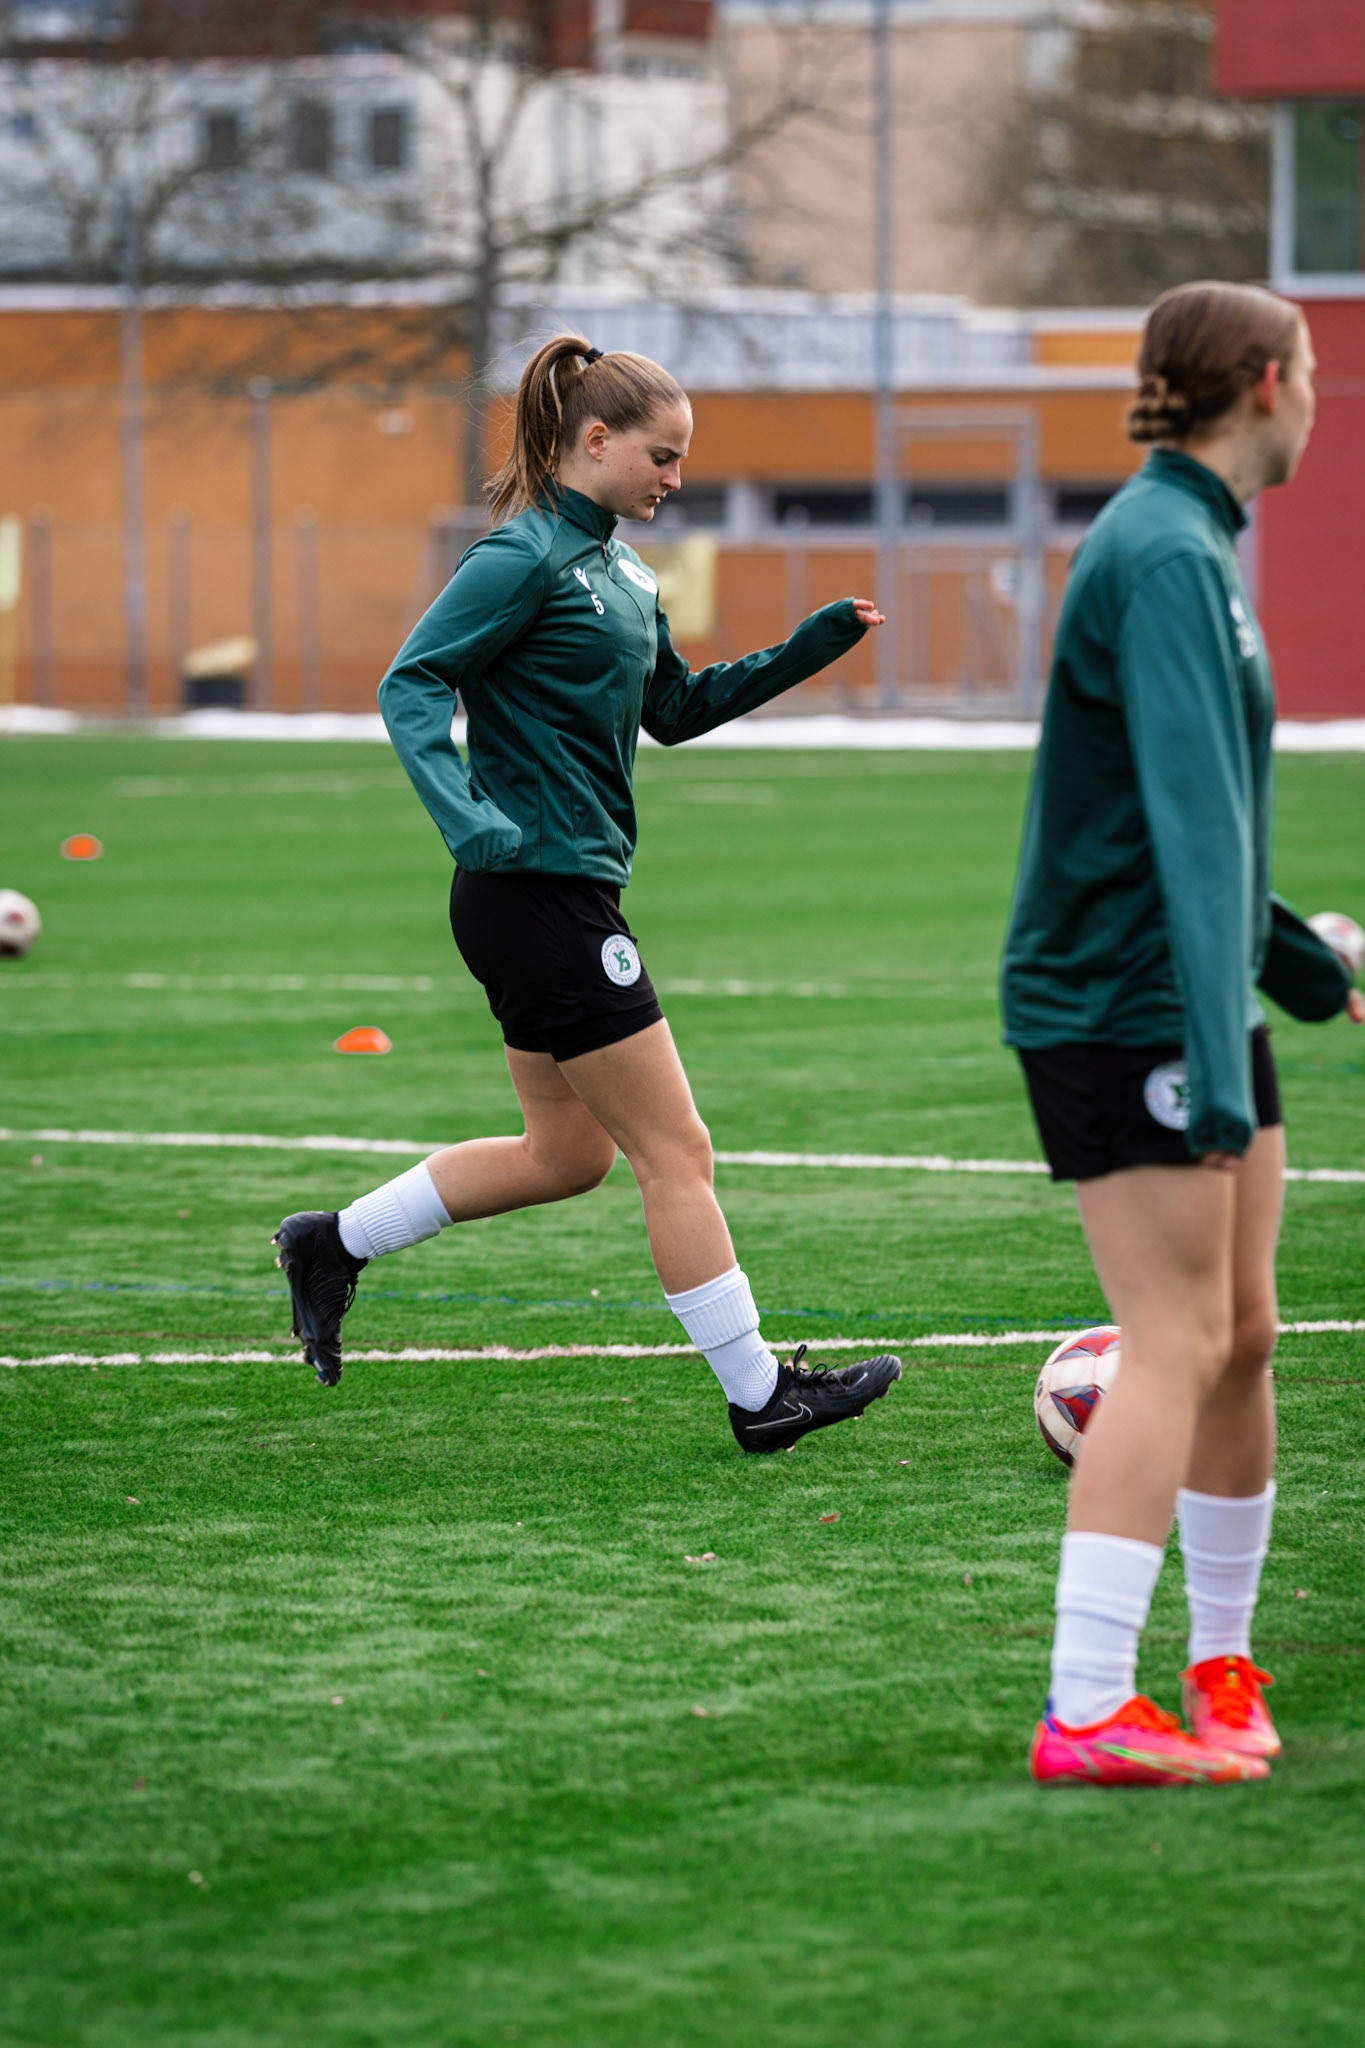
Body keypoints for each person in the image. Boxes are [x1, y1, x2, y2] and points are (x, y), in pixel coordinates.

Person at [273, 334, 902, 1453]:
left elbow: (677, 708)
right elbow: (411, 681)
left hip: (550, 896)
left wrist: (805, 650)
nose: (675, 478)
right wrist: (468, 816)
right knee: (679, 1151)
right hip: (536, 894)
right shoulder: (517, 558)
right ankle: (761, 1393)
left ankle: (333, 1242)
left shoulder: (625, 572)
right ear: (594, 441)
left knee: (568, 1156)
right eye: (660, 455)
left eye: (682, 460)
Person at [1001, 281, 1364, 1787]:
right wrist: (1221, 1069)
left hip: (1191, 993)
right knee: (1176, 1338)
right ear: (1269, 383)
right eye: (1317, 374)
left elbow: (1208, 816)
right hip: (1122, 1008)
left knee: (1243, 1336)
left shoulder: (1190, 541)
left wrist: (1305, 967)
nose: (1321, 398)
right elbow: (1186, 833)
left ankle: (1218, 1661)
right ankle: (1085, 1709)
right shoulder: (1161, 553)